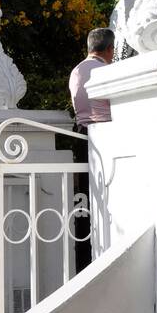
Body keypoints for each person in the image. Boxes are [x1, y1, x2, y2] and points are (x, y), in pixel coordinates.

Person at [66, 28, 114, 272]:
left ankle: (84, 260)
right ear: (109, 49)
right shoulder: (106, 70)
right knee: (108, 197)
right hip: (105, 135)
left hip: (80, 134)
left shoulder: (77, 69)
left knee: (84, 198)